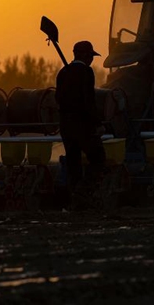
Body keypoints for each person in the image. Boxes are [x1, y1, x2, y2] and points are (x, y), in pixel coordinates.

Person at [55, 40, 106, 203]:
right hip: (82, 124)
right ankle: (82, 192)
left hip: (65, 125)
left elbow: (58, 99)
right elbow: (88, 101)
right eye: (91, 56)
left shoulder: (63, 72)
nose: (92, 59)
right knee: (98, 158)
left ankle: (75, 199)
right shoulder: (86, 72)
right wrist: (98, 123)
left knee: (73, 162)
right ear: (84, 56)